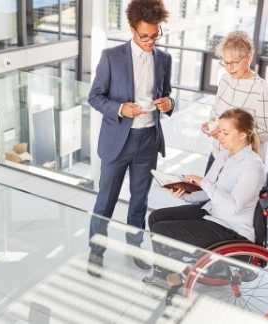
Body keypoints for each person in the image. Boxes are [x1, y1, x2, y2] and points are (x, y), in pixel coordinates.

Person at [87, 0, 175, 277]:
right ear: (132, 29)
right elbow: (95, 97)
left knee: (139, 202)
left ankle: (134, 249)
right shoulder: (112, 57)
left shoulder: (164, 60)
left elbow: (169, 94)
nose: (150, 41)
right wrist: (120, 108)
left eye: (155, 35)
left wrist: (169, 104)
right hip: (118, 142)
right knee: (106, 201)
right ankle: (96, 251)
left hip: (148, 140)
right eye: (144, 36)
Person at [143, 108, 265, 285]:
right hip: (212, 214)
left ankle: (168, 274)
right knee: (155, 217)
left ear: (243, 134)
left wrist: (204, 183)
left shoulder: (252, 166)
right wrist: (184, 194)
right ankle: (166, 271)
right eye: (219, 131)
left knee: (164, 230)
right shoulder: (225, 155)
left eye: (225, 132)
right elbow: (208, 192)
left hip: (231, 228)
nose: (219, 136)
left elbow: (232, 206)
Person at [203, 31, 268, 160]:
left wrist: (235, 134)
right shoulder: (225, 79)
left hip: (241, 163)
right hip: (217, 155)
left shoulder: (261, 89)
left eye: (234, 62)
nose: (229, 68)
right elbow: (216, 114)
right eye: (226, 63)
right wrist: (211, 125)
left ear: (248, 58)